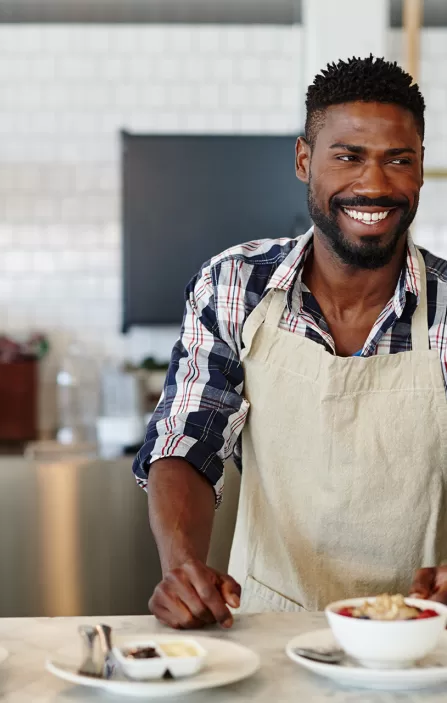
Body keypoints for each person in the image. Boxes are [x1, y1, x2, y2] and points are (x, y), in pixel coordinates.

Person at [133, 55, 447, 630]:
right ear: (305, 160)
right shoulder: (235, 284)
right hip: (266, 631)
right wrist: (181, 566)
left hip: (422, 638)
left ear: (421, 166)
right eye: (348, 156)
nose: (373, 184)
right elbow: (188, 438)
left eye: (397, 160)